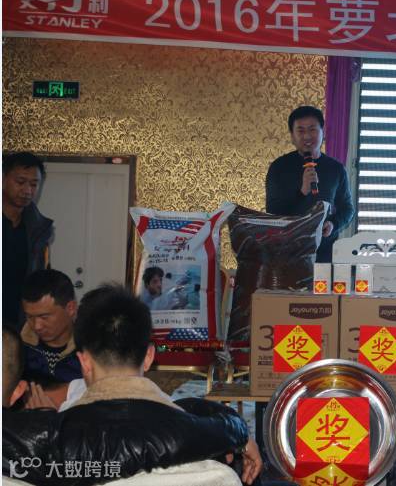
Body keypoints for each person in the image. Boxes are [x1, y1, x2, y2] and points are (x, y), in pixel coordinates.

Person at [2, 285, 262, 485]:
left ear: (84, 362)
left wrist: (48, 423)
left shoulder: (41, 447)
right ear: (149, 356)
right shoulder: (214, 459)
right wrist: (233, 428)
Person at [265, 105, 355, 262]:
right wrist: (301, 192)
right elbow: (273, 210)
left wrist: (333, 224)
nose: (307, 136)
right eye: (300, 131)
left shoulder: (336, 169)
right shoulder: (279, 167)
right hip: (287, 253)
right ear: (292, 136)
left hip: (324, 254)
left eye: (312, 129)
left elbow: (347, 209)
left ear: (322, 132)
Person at [2, 152, 54, 327]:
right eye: (20, 182)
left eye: (33, 184)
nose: (27, 191)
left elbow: (39, 277)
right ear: (3, 179)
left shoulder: (39, 229)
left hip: (20, 323)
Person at [20, 269, 82, 401]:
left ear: (70, 308)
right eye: (30, 316)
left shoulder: (92, 350)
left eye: (44, 317)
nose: (37, 326)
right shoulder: (14, 347)